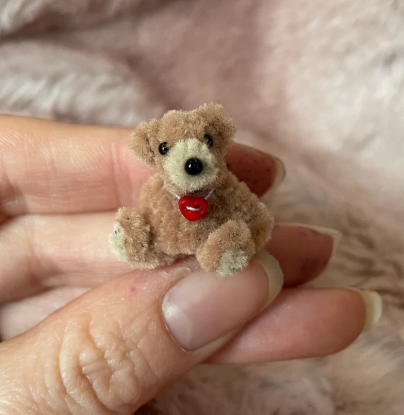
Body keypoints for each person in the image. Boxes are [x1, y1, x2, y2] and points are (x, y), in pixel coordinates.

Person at [0, 116, 381, 415]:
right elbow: (149, 213)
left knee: (232, 241)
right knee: (139, 234)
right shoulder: (155, 189)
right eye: (167, 147)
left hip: (216, 242)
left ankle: (224, 253)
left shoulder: (229, 190)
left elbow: (257, 219)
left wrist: (247, 236)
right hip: (167, 245)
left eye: (206, 142)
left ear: (219, 142)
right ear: (153, 153)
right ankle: (134, 242)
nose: (191, 156)